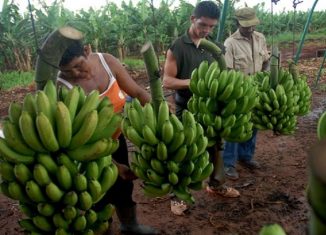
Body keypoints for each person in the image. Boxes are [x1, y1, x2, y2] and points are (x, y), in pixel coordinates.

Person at [58, 40, 158, 235]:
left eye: (78, 66)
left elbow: (137, 92)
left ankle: (130, 225)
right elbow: (74, 138)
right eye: (69, 71)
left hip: (115, 138)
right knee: (98, 195)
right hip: (86, 150)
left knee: (123, 185)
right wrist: (112, 165)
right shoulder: (62, 87)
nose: (77, 73)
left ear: (87, 50)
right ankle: (103, 228)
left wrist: (161, 111)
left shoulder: (107, 62)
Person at [163, 0, 240, 203]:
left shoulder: (215, 47)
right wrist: (195, 82)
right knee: (184, 151)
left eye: (211, 26)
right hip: (186, 108)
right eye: (203, 25)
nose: (206, 30)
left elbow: (222, 72)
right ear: (192, 19)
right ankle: (177, 196)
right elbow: (167, 81)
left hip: (212, 109)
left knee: (216, 148)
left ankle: (217, 185)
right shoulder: (177, 47)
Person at [223, 7, 270, 180]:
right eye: (246, 26)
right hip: (239, 92)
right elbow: (227, 70)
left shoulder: (260, 38)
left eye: (252, 25)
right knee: (235, 128)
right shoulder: (230, 43)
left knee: (253, 125)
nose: (250, 29)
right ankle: (229, 164)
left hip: (257, 90)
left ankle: (246, 157)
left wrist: (265, 75)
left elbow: (265, 60)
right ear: (237, 23)